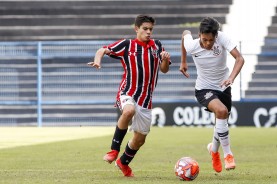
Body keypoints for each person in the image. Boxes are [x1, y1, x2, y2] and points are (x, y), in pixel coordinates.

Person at [88, 14, 171, 177]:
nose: (148, 32)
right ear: (136, 29)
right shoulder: (127, 45)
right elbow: (102, 49)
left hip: (146, 99)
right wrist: (98, 60)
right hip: (127, 92)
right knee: (128, 111)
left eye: (151, 29)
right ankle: (113, 150)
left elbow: (164, 70)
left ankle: (123, 162)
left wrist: (166, 60)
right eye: (145, 29)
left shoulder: (157, 45)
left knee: (140, 140)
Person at [180, 17, 244, 173]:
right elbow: (184, 33)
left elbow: (240, 59)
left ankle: (213, 150)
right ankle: (228, 155)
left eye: (211, 40)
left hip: (223, 86)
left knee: (221, 120)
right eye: (204, 39)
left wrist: (231, 78)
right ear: (199, 34)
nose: (208, 43)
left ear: (217, 36)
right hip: (203, 89)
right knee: (221, 112)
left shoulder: (222, 38)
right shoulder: (192, 44)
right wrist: (183, 62)